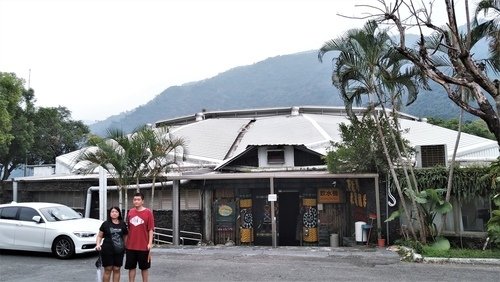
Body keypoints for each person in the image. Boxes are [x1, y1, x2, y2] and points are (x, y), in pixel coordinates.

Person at [125, 192, 155, 282]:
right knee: (131, 268)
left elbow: (151, 229)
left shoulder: (148, 212)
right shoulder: (130, 212)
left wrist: (150, 243)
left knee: (144, 268)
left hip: (144, 246)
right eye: (135, 200)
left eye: (138, 200)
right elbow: (129, 228)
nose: (136, 201)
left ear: (142, 201)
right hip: (130, 246)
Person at [96, 207, 128, 282]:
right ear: (110, 214)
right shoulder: (105, 224)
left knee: (117, 269)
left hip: (119, 250)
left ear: (119, 213)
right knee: (108, 269)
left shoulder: (122, 224)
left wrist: (125, 246)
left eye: (116, 212)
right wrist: (98, 244)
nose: (114, 213)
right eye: (112, 212)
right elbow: (99, 236)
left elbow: (125, 236)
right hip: (107, 250)